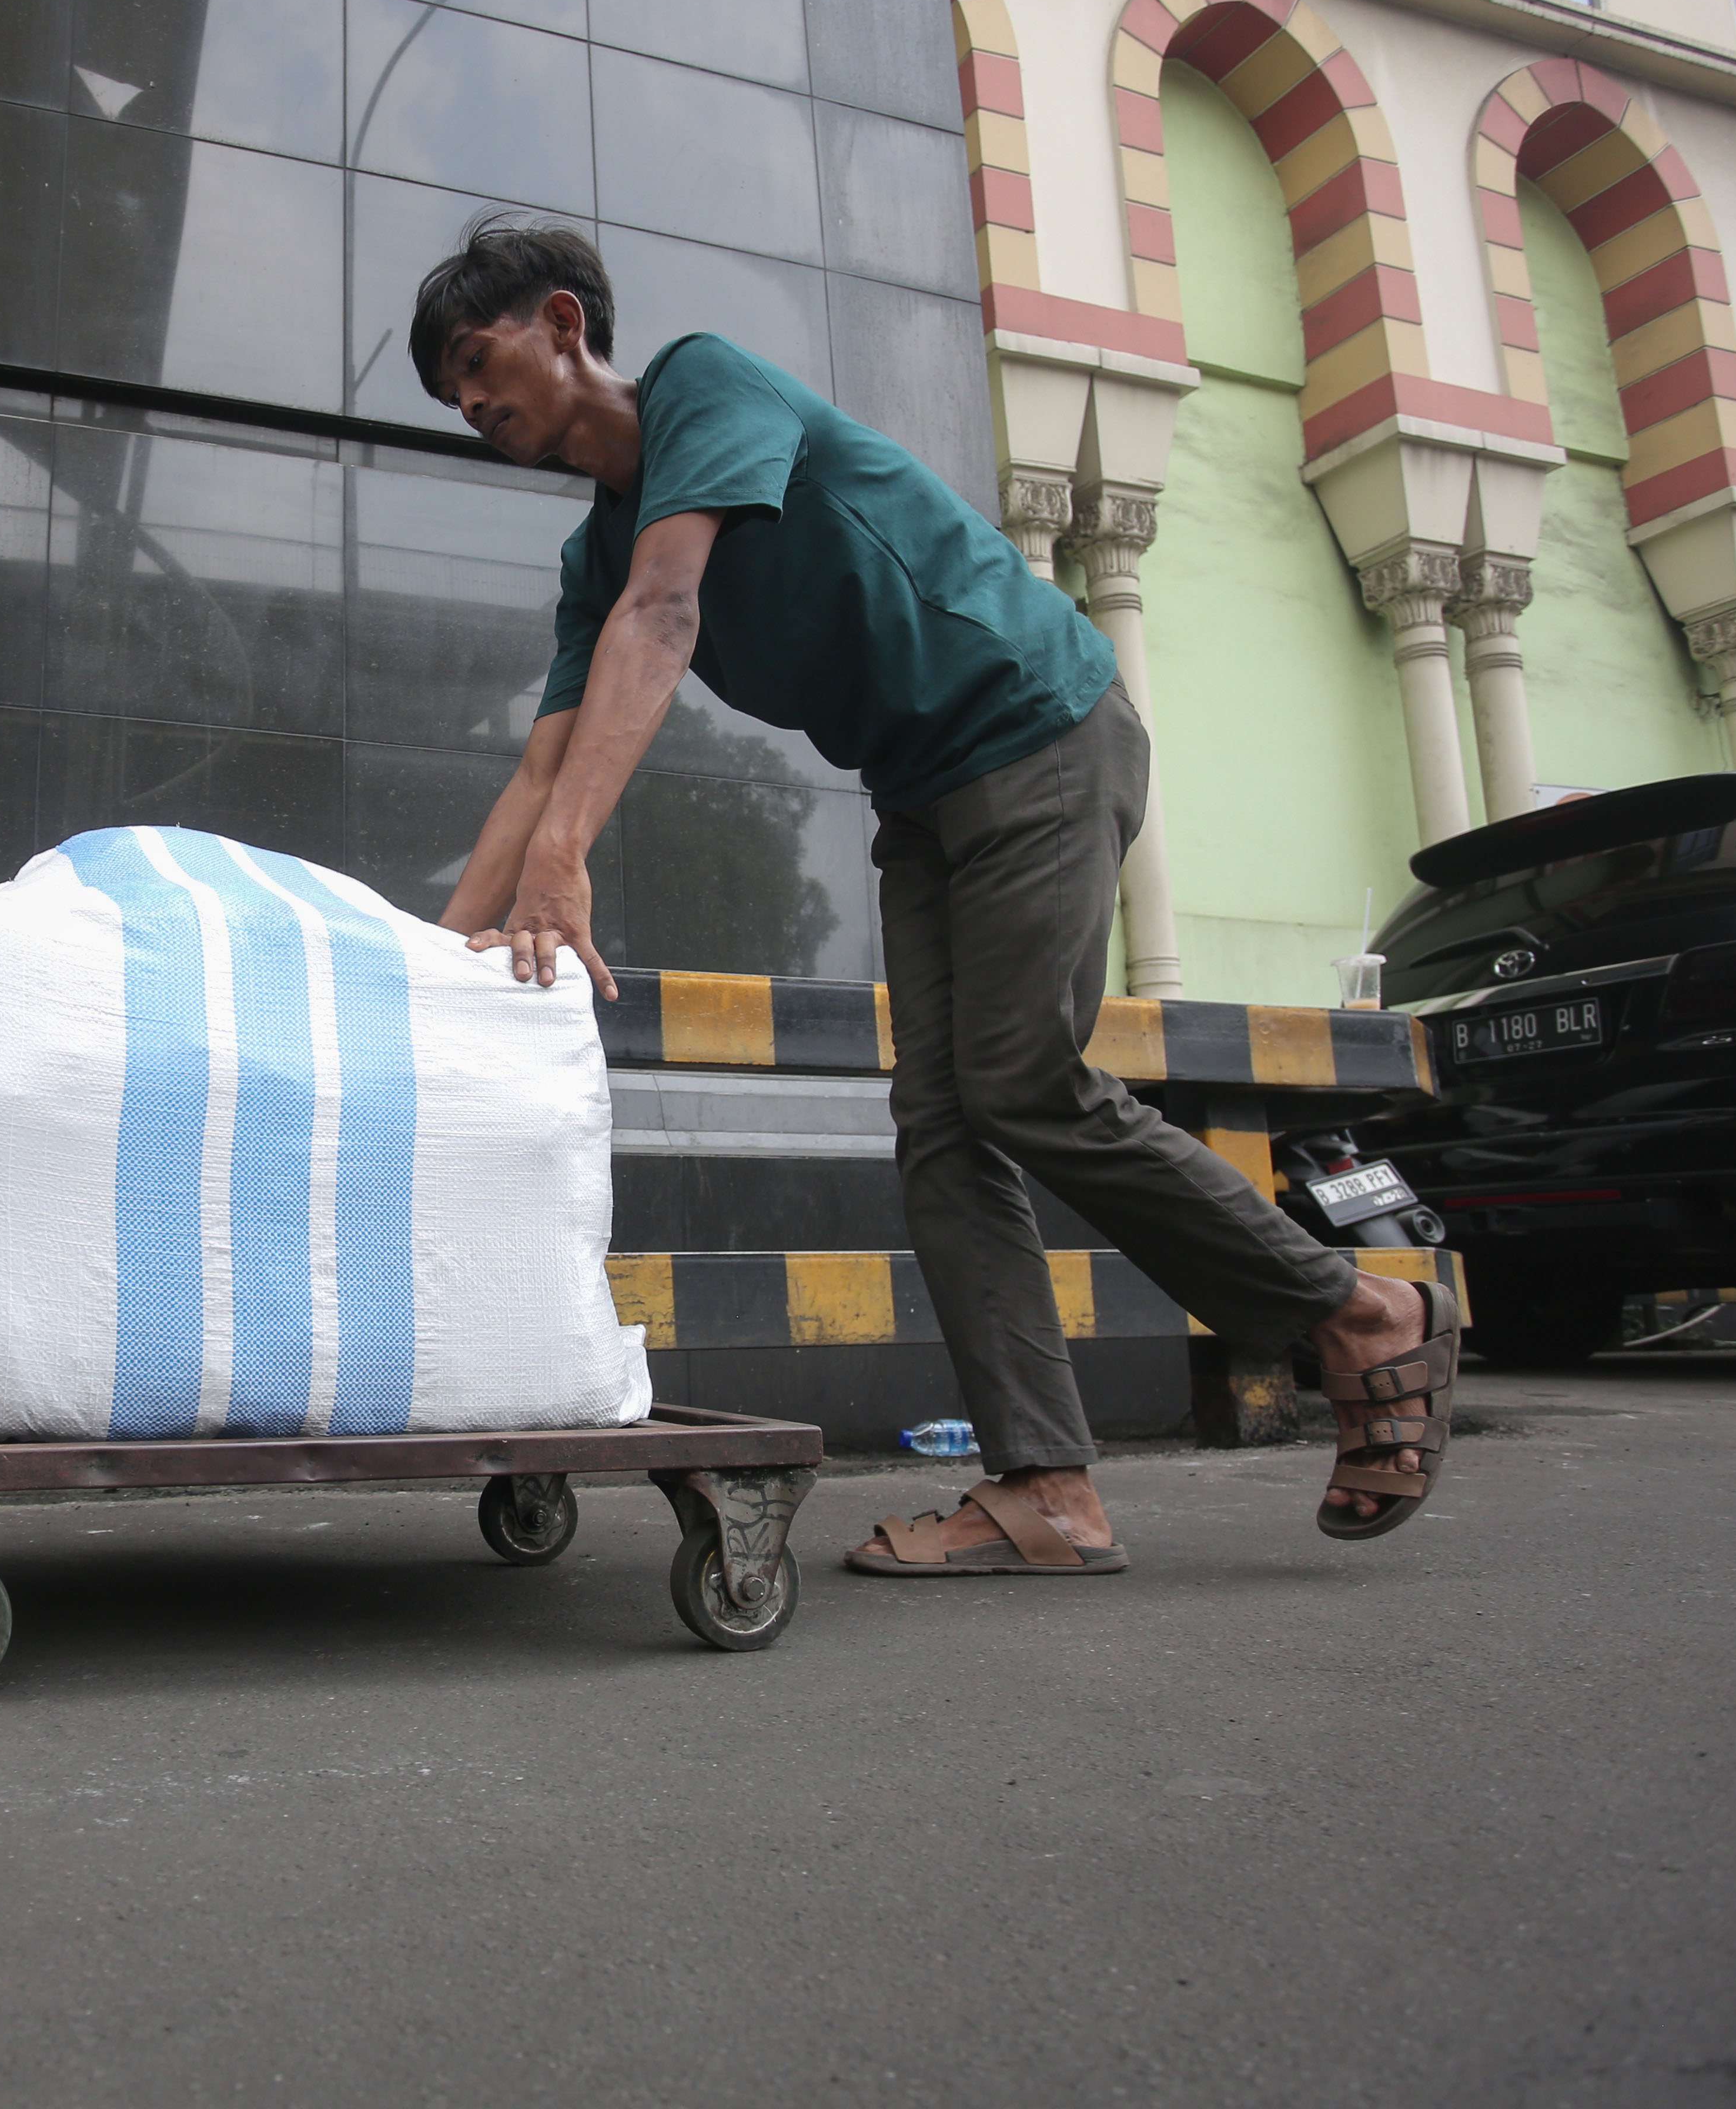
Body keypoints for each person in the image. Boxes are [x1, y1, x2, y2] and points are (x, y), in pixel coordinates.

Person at [412, 219, 1457, 1569]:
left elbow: (666, 614)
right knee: (943, 1129)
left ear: (563, 323)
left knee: (1019, 1082)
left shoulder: (703, 387)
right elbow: (538, 767)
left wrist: (568, 862)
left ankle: (1359, 1311)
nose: (472, 403)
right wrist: (420, 972)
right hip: (918, 790)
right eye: (450, 393)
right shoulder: (585, 563)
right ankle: (1046, 1492)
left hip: (1034, 730)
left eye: (479, 362)